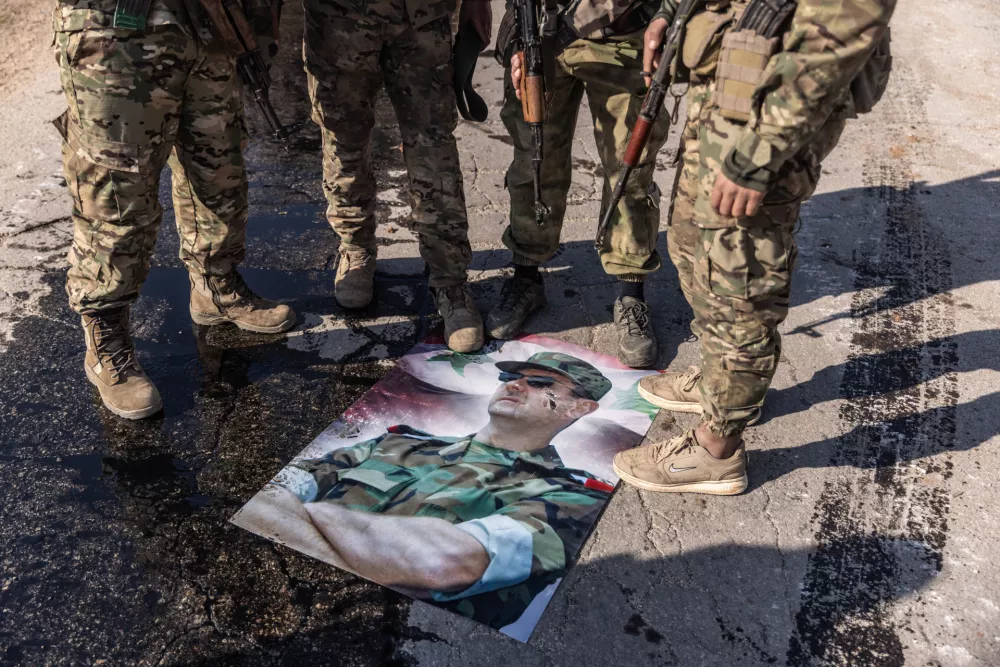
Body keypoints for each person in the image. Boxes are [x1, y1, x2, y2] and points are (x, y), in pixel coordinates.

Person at [614, 0, 897, 494]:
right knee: (690, 250)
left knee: (738, 287)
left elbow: (842, 28)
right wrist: (669, 12)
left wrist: (759, 153)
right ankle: (717, 382)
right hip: (725, 98)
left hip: (771, 123)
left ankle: (717, 448)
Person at [239, 352, 616, 629]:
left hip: (387, 636)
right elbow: (267, 496)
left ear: (579, 408)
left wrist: (311, 511)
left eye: (541, 383)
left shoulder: (572, 496)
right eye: (509, 375)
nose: (514, 384)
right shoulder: (398, 442)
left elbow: (438, 564)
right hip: (260, 593)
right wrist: (367, 551)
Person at [53, 0, 295, 420]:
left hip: (209, 20)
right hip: (116, 30)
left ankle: (215, 286)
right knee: (117, 190)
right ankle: (105, 334)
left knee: (218, 168)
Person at [486, 0, 671, 369]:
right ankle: (526, 275)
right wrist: (516, 30)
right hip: (538, 29)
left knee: (630, 168)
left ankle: (631, 292)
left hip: (623, 31)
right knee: (533, 158)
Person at [304, 0, 490, 353]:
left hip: (421, 15)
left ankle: (449, 279)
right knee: (344, 137)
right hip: (338, 17)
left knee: (432, 143)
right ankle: (355, 247)